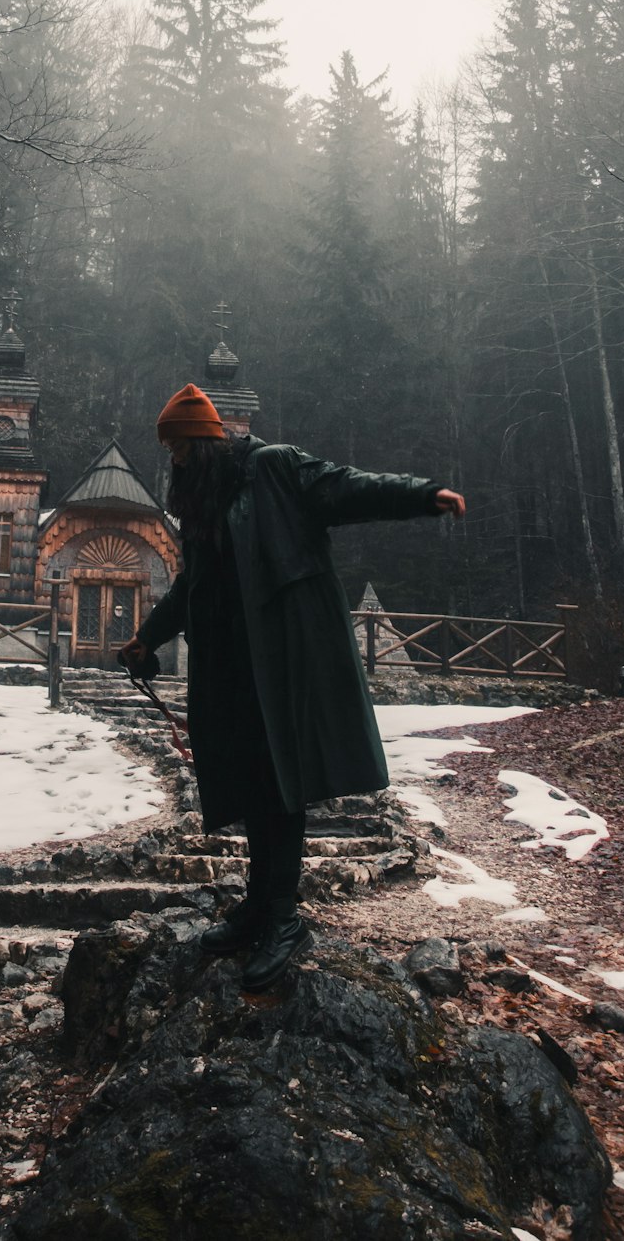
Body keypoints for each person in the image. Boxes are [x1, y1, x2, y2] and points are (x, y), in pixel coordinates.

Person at [120, 383, 465, 994]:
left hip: (286, 657)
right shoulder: (203, 508)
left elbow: (346, 486)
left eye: (176, 450)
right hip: (231, 665)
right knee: (255, 781)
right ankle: (258, 905)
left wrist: (421, 495)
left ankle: (284, 916)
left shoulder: (272, 467)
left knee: (283, 783)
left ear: (201, 443)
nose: (172, 463)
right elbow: (188, 589)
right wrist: (148, 637)